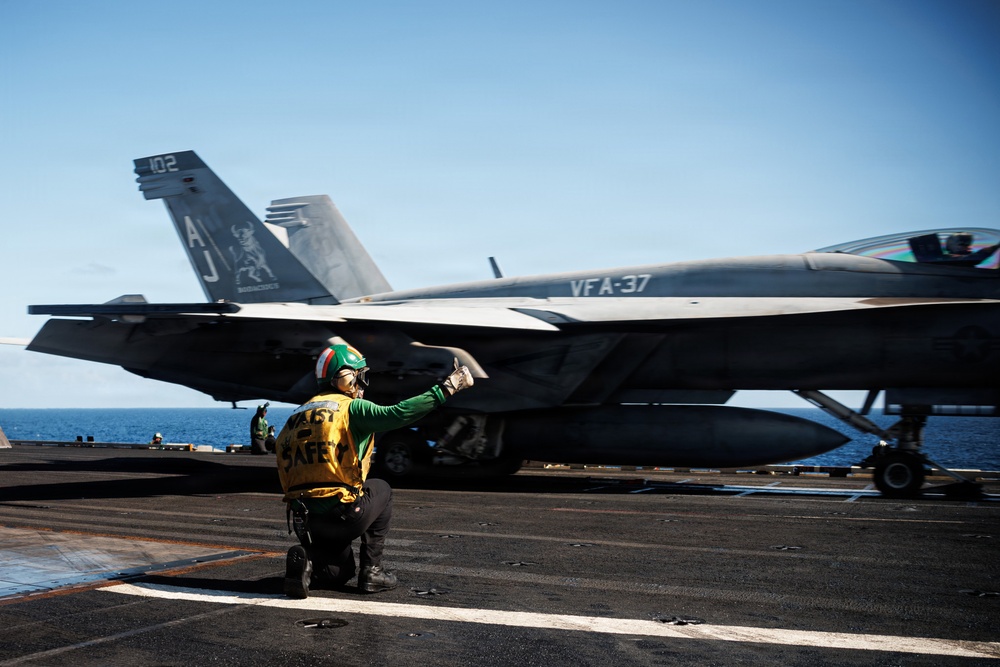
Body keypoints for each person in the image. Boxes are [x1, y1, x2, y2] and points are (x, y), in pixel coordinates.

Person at [275, 343, 474, 599]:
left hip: (308, 522)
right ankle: (373, 571)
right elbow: (398, 413)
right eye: (360, 377)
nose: (362, 384)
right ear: (346, 378)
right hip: (343, 513)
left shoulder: (294, 417)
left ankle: (309, 562)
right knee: (382, 489)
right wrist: (446, 388)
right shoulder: (352, 409)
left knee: (339, 574)